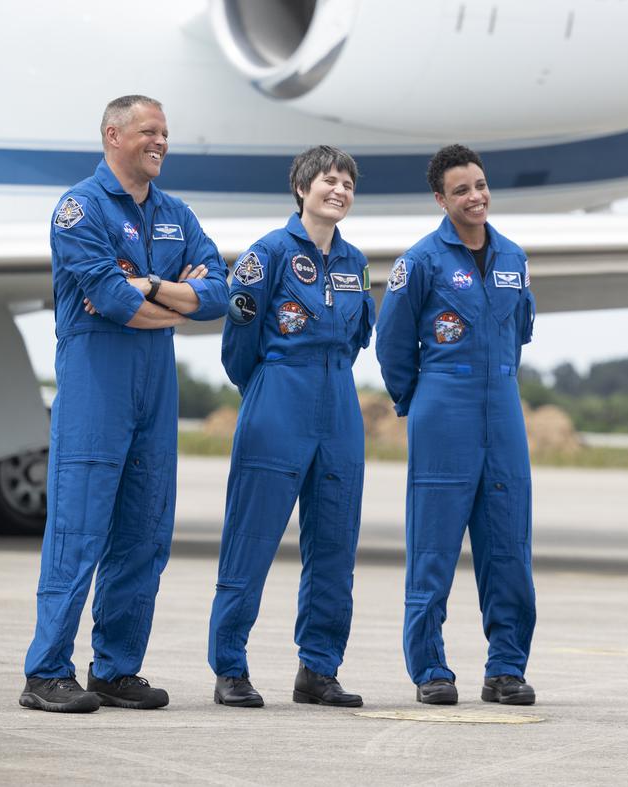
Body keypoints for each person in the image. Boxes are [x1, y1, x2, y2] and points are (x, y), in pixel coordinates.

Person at [21, 95, 227, 713]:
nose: (160, 141)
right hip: (95, 383)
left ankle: (115, 668)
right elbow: (113, 302)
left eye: (165, 132)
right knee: (79, 530)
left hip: (154, 386)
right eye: (148, 131)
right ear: (113, 135)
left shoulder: (175, 213)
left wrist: (155, 286)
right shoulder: (79, 208)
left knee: (144, 532)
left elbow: (217, 293)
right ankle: (47, 672)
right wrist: (172, 302)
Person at [208, 146, 375, 708]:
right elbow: (239, 342)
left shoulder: (355, 263)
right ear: (302, 189)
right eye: (329, 180)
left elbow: (355, 340)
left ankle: (318, 669)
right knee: (251, 538)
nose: (340, 190)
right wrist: (267, 389)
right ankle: (230, 666)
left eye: (348, 183)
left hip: (339, 404)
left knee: (335, 543)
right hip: (278, 396)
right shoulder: (267, 254)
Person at [376, 144, 537, 706]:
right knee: (434, 547)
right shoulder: (419, 261)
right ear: (441, 199)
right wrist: (415, 402)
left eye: (481, 185)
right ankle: (431, 670)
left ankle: (507, 668)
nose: (476, 197)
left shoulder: (514, 257)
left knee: (509, 545)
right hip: (443, 406)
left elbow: (519, 331)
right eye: (462, 190)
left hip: (503, 407)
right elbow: (393, 344)